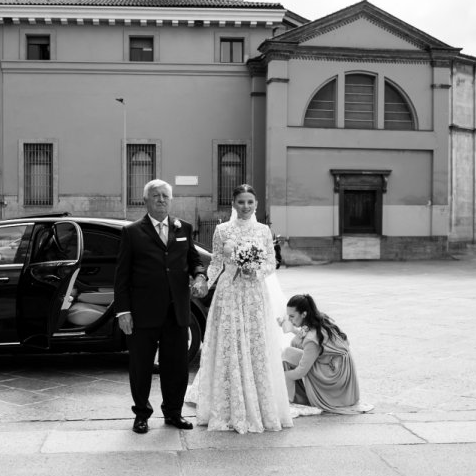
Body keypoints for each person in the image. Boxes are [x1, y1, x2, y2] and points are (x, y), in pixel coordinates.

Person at [186, 184, 293, 433]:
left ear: (256, 205)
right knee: (230, 344)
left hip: (254, 293)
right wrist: (203, 283)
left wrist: (254, 270)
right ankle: (228, 406)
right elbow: (216, 262)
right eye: (241, 202)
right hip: (229, 293)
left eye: (250, 202)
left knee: (255, 345)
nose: (245, 206)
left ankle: (258, 405)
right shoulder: (223, 230)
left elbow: (271, 262)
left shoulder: (264, 230)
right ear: (233, 204)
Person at [114, 179, 208, 434]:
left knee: (176, 366)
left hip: (177, 311)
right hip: (143, 312)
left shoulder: (183, 229)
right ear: (145, 201)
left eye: (165, 196)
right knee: (141, 366)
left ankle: (173, 413)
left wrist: (200, 275)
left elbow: (194, 260)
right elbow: (121, 276)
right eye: (155, 196)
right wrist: (123, 311)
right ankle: (142, 414)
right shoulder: (132, 232)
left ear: (171, 199)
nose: (161, 200)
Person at [281, 294, 374, 414]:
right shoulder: (319, 321)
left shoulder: (311, 339)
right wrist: (292, 329)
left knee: (286, 363)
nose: (290, 320)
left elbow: (301, 371)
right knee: (288, 352)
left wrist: (283, 376)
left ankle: (293, 398)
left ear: (304, 314)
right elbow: (304, 338)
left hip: (334, 379)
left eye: (292, 316)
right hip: (341, 375)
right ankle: (294, 395)